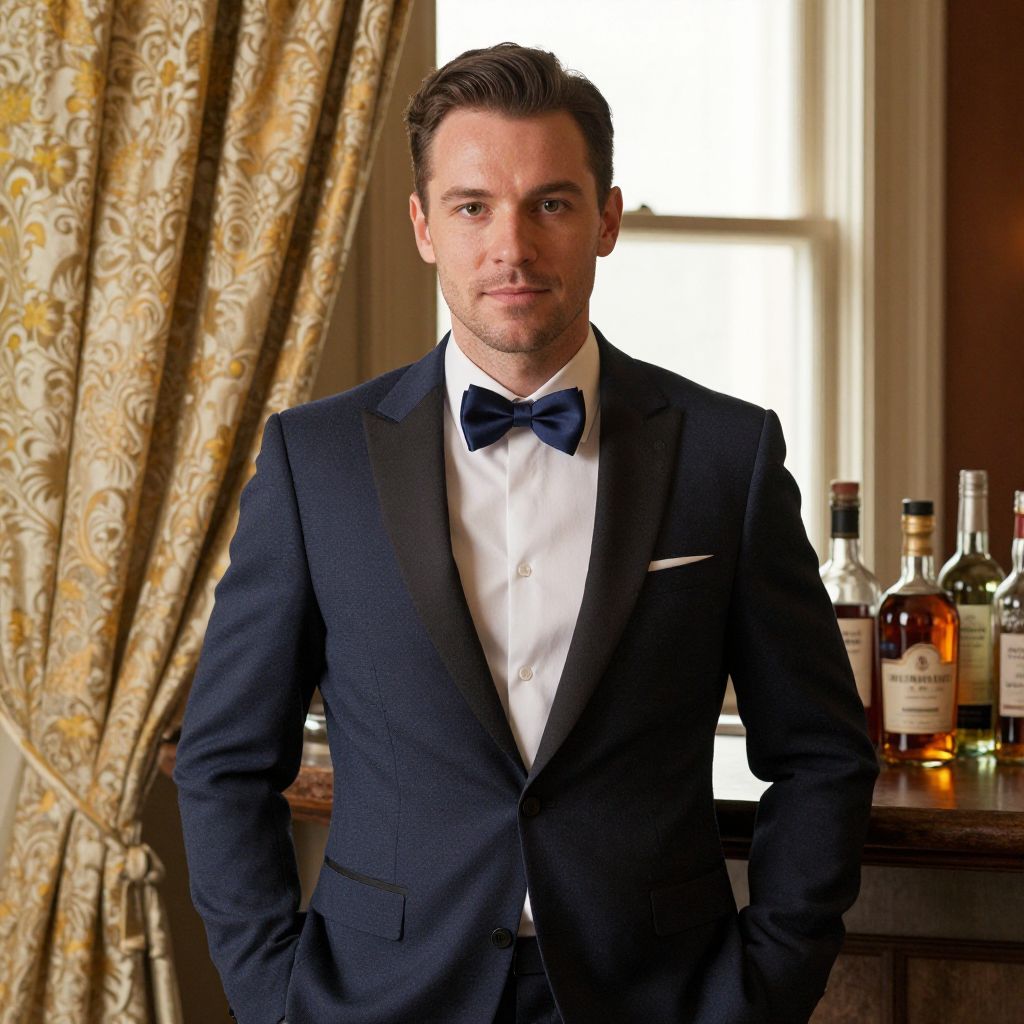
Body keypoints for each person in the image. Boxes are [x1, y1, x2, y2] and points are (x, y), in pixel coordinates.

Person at [174, 43, 878, 1024]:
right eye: (472, 206)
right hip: (377, 1000)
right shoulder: (314, 462)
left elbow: (822, 752)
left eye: (550, 202)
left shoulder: (728, 455)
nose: (511, 246)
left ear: (606, 220)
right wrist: (276, 998)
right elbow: (223, 759)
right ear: (423, 226)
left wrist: (761, 988)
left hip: (659, 998)